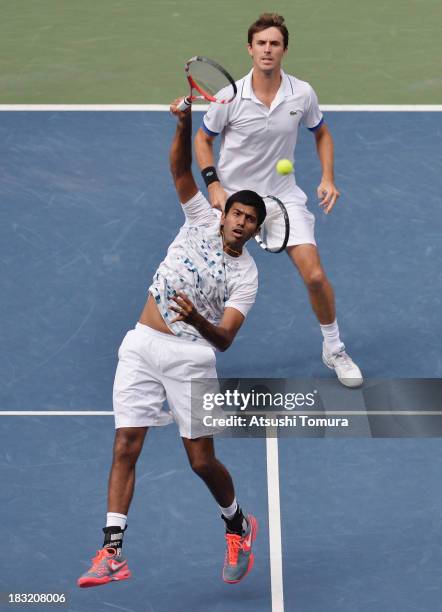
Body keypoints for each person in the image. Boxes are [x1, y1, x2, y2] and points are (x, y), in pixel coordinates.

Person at [77, 98, 266, 588]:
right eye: (236, 213)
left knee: (200, 460)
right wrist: (183, 125)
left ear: (255, 231)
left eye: (249, 219)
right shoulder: (200, 218)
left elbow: (223, 337)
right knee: (126, 445)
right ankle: (112, 551)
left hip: (192, 358)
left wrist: (195, 320)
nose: (240, 221)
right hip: (141, 343)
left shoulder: (247, 276)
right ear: (224, 214)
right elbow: (180, 168)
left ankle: (238, 524)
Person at [194, 13, 363, 388]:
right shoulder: (229, 97)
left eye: (274, 44)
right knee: (200, 277)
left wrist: (327, 177)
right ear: (250, 49)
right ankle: (186, 354)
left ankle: (333, 349)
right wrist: (213, 185)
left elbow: (322, 133)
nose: (267, 50)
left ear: (284, 49)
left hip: (282, 198)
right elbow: (203, 139)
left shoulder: (301, 93)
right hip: (234, 200)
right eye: (261, 44)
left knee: (315, 276)